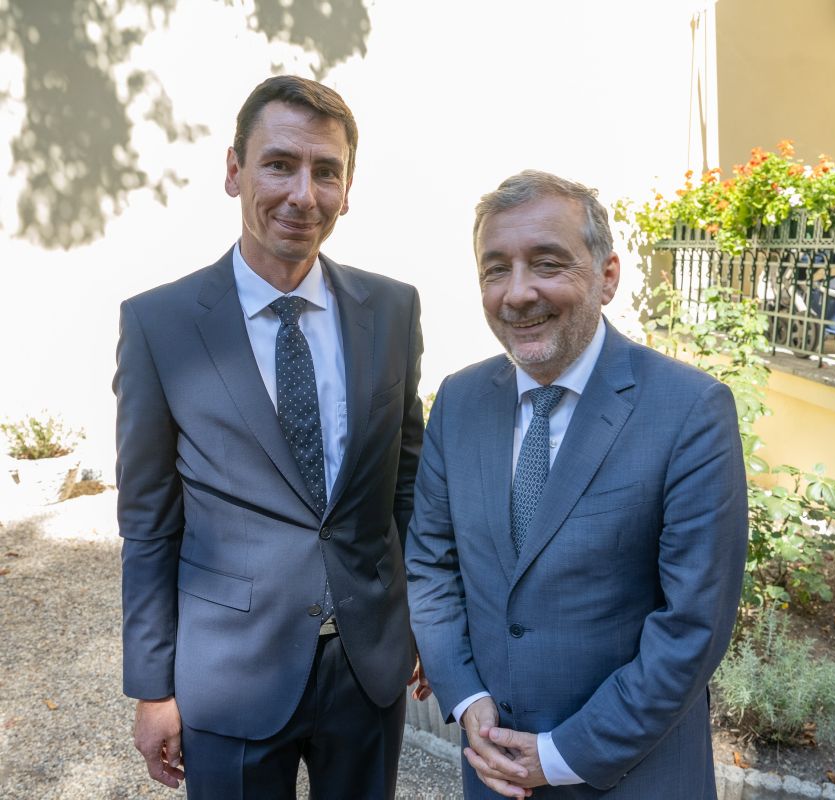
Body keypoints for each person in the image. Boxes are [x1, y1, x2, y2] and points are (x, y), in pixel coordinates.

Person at [114, 75, 427, 799]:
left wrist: (423, 623)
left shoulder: (392, 310)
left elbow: (407, 486)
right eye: (279, 165)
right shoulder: (160, 326)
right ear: (234, 170)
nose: (302, 195)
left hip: (367, 665)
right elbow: (149, 522)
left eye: (326, 172)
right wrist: (152, 687)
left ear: (347, 188)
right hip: (230, 673)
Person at [405, 170, 748, 799]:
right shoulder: (458, 401)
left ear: (607, 276)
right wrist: (467, 695)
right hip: (493, 771)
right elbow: (430, 563)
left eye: (547, 263)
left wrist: (562, 755)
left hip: (634, 777)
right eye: (496, 269)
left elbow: (692, 627)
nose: (517, 293)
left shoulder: (689, 410)